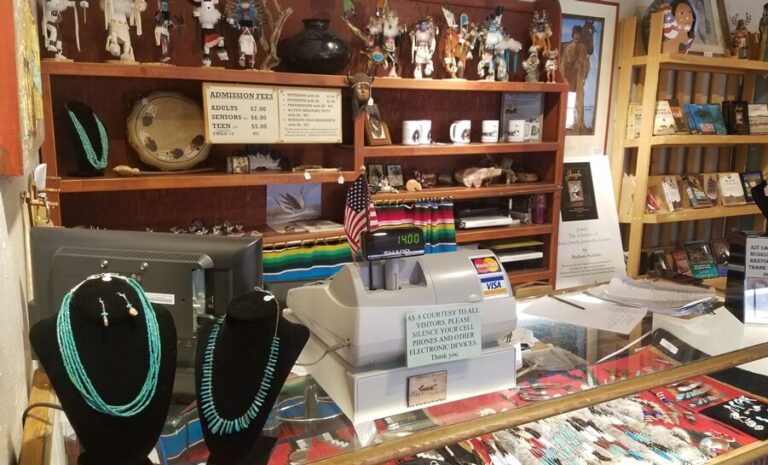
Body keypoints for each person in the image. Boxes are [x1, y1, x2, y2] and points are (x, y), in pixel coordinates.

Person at [561, 25, 590, 132]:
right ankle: (566, 124)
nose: (577, 36)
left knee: (580, 101)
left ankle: (580, 125)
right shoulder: (567, 48)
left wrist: (584, 75)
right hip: (569, 79)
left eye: (579, 34)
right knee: (568, 100)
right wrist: (564, 80)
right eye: (575, 34)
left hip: (579, 79)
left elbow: (586, 63)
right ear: (573, 35)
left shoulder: (584, 48)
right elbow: (563, 65)